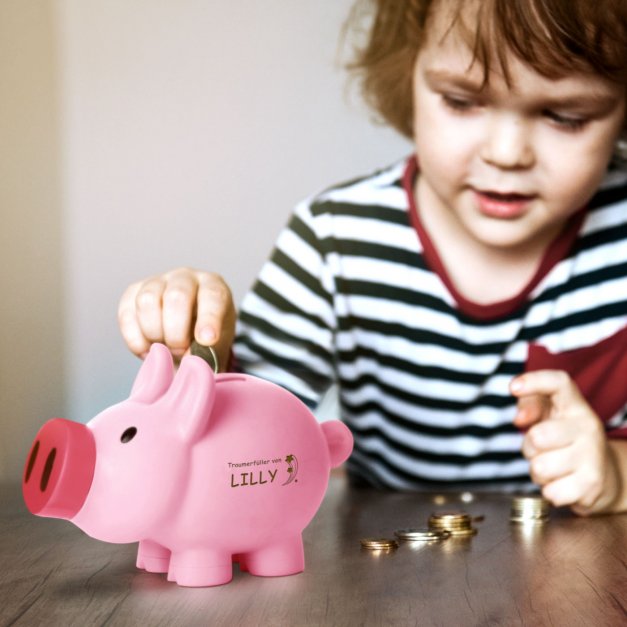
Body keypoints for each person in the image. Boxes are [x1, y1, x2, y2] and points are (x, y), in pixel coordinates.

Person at [117, 0, 627, 515]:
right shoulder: (332, 242)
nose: (507, 152)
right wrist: (205, 352)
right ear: (407, 73)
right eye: (461, 100)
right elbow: (246, 449)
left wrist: (617, 472)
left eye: (566, 116)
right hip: (388, 574)